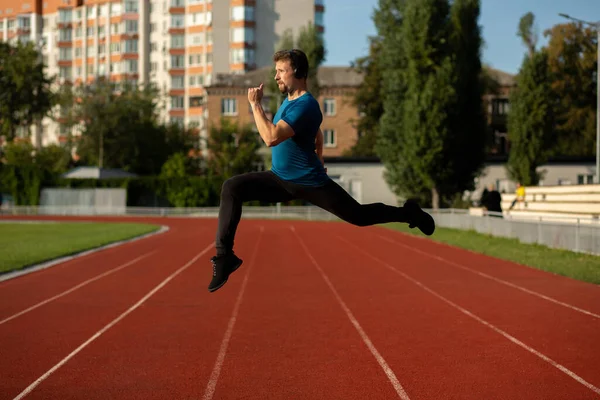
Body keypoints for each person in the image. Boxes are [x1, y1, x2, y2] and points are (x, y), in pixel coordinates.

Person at [208, 49, 435, 292]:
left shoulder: (307, 104)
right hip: (280, 179)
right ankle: (224, 257)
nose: (276, 77)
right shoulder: (288, 102)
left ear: (296, 71)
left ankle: (409, 213)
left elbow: (271, 138)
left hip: (310, 182)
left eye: (281, 71)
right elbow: (316, 134)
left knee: (359, 216)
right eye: (276, 72)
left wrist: (255, 105)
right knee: (232, 187)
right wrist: (320, 157)